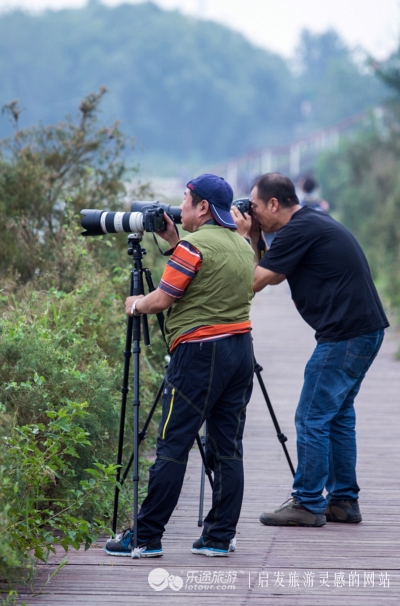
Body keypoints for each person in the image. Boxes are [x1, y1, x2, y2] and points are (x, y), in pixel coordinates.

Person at [105, 174, 255, 557]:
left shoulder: (193, 247)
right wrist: (175, 241)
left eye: (186, 200)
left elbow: (164, 298)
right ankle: (219, 537)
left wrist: (135, 304)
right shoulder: (241, 245)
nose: (181, 207)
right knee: (227, 447)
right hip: (240, 351)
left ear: (203, 207)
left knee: (173, 445)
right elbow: (206, 276)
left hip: (200, 356)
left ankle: (145, 536)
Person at [231, 172, 388, 527]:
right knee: (337, 416)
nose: (251, 214)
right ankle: (343, 501)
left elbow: (253, 282)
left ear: (274, 203)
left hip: (345, 335)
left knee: (311, 416)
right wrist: (255, 237)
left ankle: (306, 502)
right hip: (365, 331)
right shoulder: (308, 223)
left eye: (254, 207)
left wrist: (243, 237)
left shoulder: (296, 230)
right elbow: (274, 272)